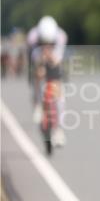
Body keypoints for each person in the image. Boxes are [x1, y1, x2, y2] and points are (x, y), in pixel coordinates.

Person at [27, 16, 67, 145]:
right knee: (38, 75)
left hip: (54, 59)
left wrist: (50, 57)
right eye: (44, 42)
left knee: (58, 91)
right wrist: (40, 62)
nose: (47, 45)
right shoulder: (32, 37)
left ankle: (59, 129)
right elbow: (33, 59)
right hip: (37, 57)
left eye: (50, 43)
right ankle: (38, 103)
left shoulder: (61, 37)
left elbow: (57, 60)